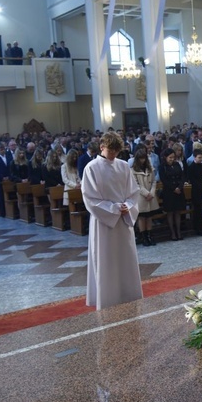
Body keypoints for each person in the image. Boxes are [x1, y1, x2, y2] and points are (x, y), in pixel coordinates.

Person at [82, 132, 142, 310]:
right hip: (104, 223)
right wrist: (113, 209)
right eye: (111, 150)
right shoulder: (91, 168)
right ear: (102, 147)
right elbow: (90, 198)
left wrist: (128, 206)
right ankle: (107, 299)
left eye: (117, 151)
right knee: (106, 260)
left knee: (126, 257)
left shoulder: (123, 166)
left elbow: (133, 192)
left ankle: (128, 295)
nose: (114, 154)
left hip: (123, 220)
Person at [131, 148, 160, 246]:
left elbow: (154, 181)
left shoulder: (150, 168)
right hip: (141, 196)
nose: (142, 160)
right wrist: (146, 193)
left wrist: (151, 193)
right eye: (140, 158)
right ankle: (144, 237)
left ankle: (150, 235)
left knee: (149, 217)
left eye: (144, 158)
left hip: (150, 196)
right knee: (142, 217)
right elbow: (136, 184)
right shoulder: (133, 170)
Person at [158, 147, 185, 241]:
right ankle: (172, 233)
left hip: (178, 190)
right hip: (169, 191)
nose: (172, 159)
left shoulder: (177, 164)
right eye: (170, 157)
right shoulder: (162, 167)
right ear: (165, 157)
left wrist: (179, 187)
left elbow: (182, 176)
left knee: (177, 211)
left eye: (173, 157)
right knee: (170, 212)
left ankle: (178, 231)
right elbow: (164, 180)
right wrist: (174, 188)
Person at [186, 150, 202, 236]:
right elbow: (192, 180)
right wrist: (201, 185)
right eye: (199, 157)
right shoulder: (191, 168)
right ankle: (198, 229)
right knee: (198, 211)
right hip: (197, 191)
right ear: (194, 157)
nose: (201, 159)